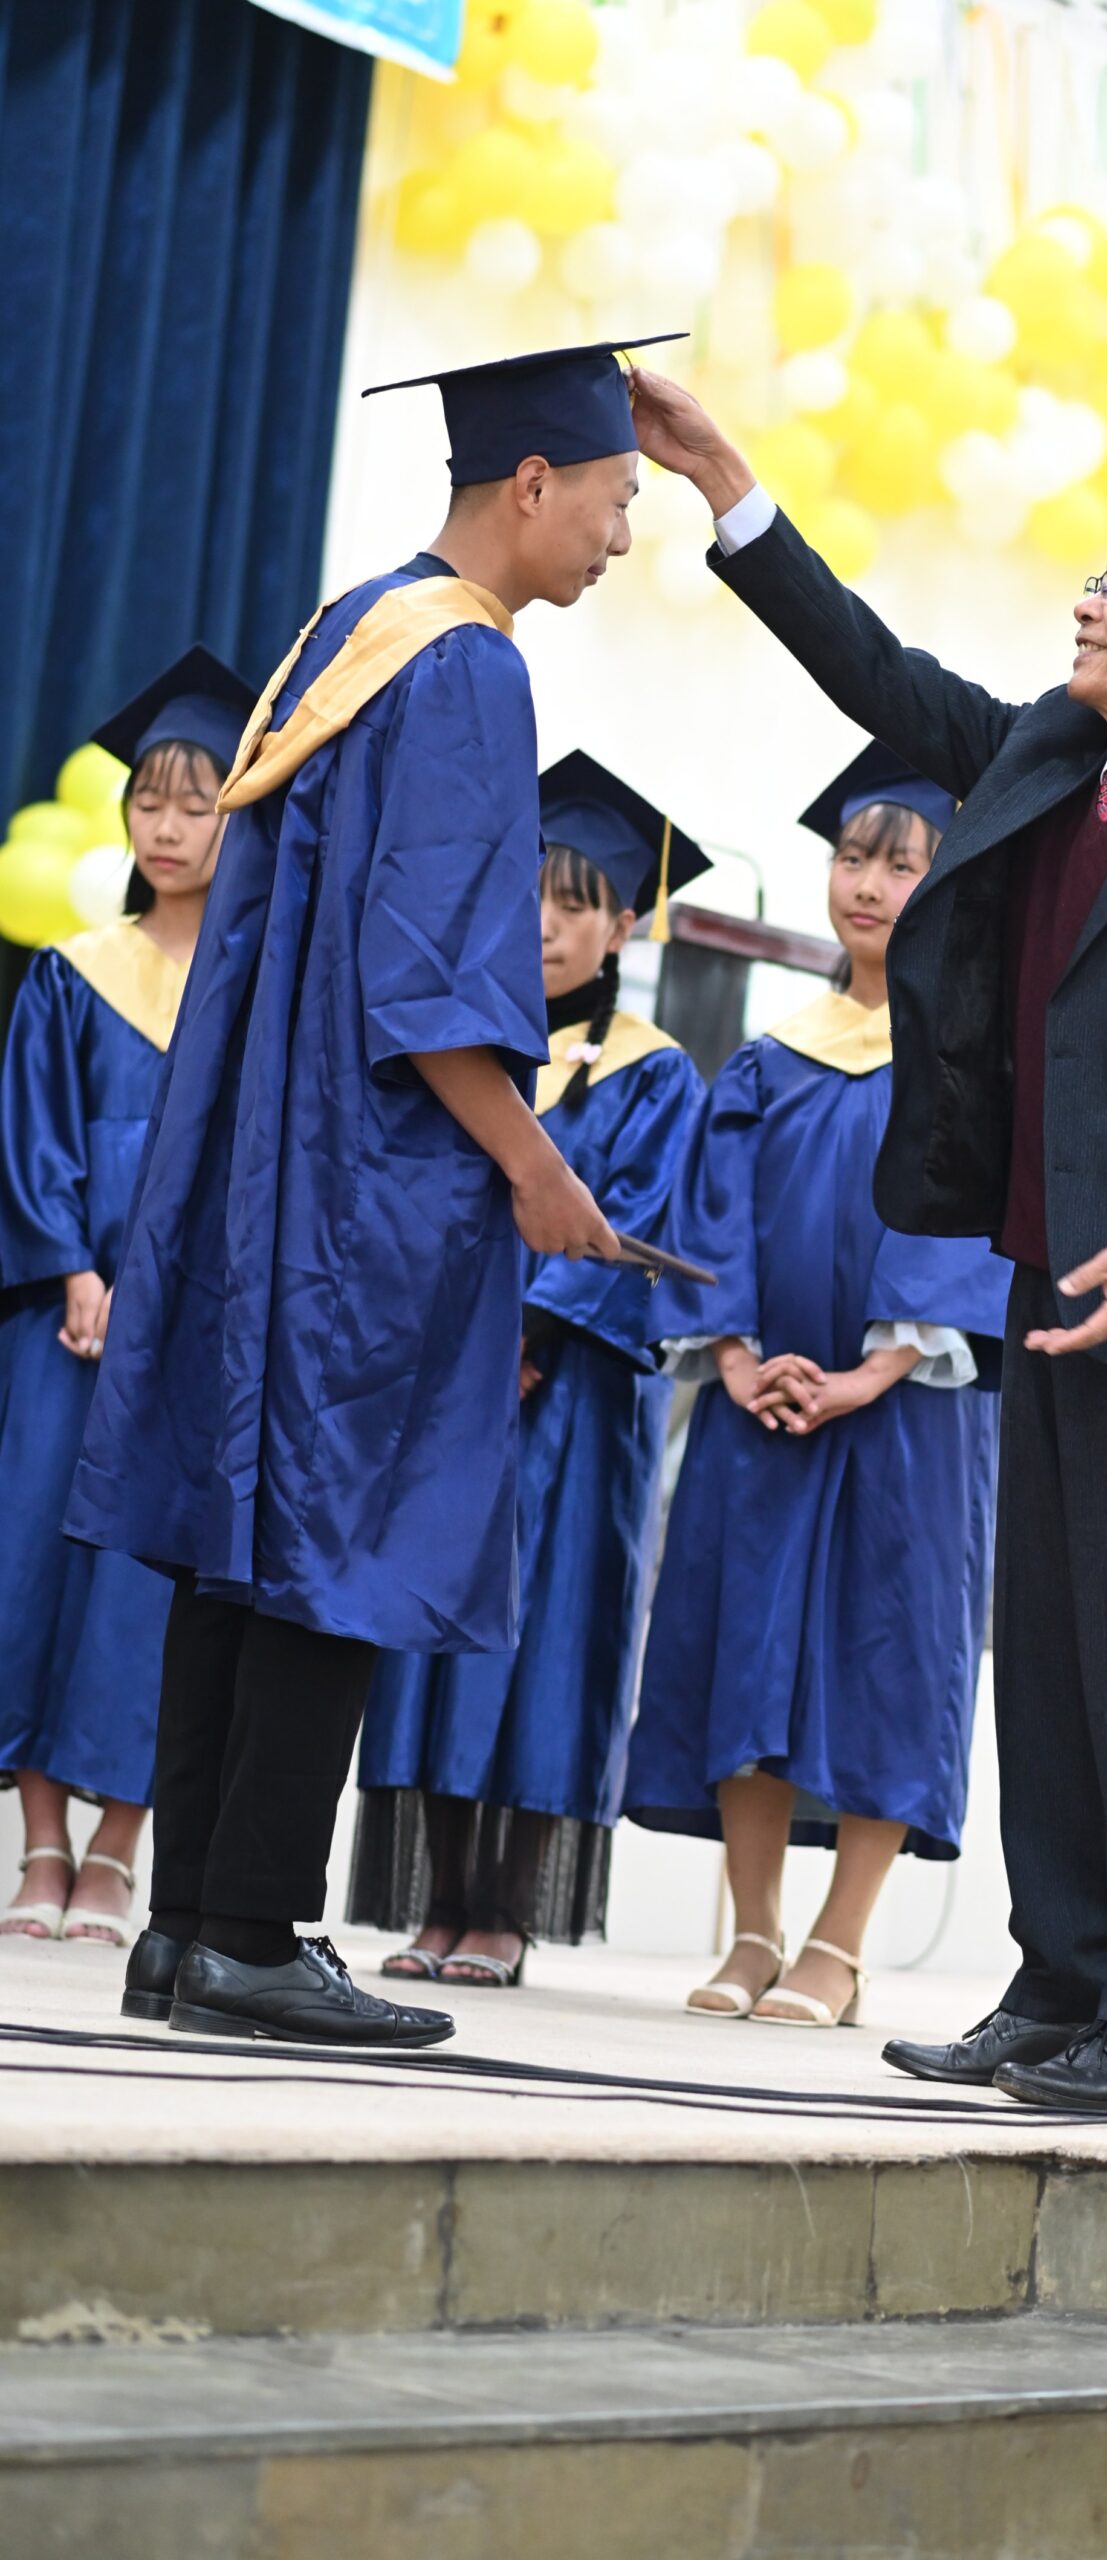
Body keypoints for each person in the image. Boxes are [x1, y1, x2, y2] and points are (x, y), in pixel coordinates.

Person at [629, 369, 1107, 2109]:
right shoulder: (1046, 759)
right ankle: (1057, 1986)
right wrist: (727, 484)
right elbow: (876, 674)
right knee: (1039, 1659)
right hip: (1038, 1288)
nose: (1086, 601)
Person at [66, 338, 680, 2048]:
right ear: (533, 481)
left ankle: (187, 1932)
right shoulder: (466, 670)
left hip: (265, 1165)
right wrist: (536, 1169)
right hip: (377, 1186)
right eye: (616, 498)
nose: (622, 537)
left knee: (241, 1537)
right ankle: (256, 1930)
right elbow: (429, 986)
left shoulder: (345, 631)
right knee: (341, 1534)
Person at [623, 746, 1010, 2030]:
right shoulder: (767, 1061)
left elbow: (964, 1234)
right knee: (747, 1644)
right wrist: (739, 1361)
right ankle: (751, 1932)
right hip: (767, 1404)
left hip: (907, 1412)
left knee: (885, 1653)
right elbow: (711, 1222)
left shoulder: (968, 1060)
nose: (868, 885)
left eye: (902, 866)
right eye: (853, 857)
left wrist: (870, 1371)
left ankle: (838, 1945)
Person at [351, 753, 709, 1989]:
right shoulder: (464, 1053)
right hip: (441, 1393)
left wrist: (529, 1336)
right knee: (427, 1635)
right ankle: (438, 1899)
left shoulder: (656, 1071)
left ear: (624, 925)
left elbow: (643, 1228)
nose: (546, 924)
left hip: (572, 1403)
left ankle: (503, 1909)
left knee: (547, 1635)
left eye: (576, 901)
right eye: (529, 894)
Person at [0, 650, 251, 1948]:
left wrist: (165, 1296)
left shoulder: (257, 993)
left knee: (153, 1588)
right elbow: (31, 1137)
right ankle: (40, 1841)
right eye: (149, 799)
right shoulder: (73, 972)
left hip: (193, 1336)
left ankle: (116, 1849)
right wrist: (75, 1269)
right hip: (68, 1322)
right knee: (34, 1557)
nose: (167, 825)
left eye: (197, 803)